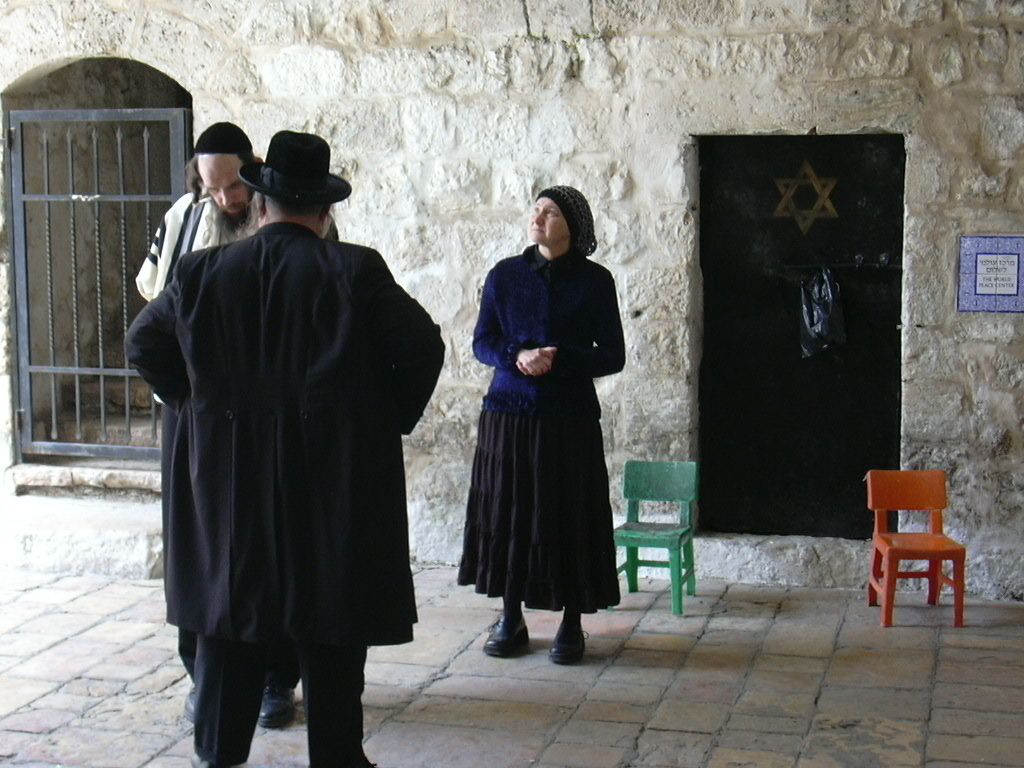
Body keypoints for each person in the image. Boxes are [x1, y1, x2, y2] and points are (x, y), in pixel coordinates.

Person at [127, 130, 445, 768]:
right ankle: (336, 756)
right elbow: (423, 348)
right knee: (330, 626)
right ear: (324, 212)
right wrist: (377, 421)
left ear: (264, 204)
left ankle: (220, 755)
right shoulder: (355, 269)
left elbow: (143, 344)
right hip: (328, 486)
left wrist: (198, 408)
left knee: (230, 623)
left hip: (232, 487)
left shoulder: (201, 271)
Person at [136, 121, 301, 728]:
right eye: (213, 190)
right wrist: (181, 394)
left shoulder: (288, 221)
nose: (226, 201)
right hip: (194, 415)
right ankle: (203, 675)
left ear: (254, 177)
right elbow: (152, 314)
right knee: (195, 545)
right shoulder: (184, 218)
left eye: (234, 187)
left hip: (267, 418)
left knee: (273, 544)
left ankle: (275, 681)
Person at [457, 185, 625, 665]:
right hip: (508, 415)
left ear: (572, 226)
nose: (538, 217)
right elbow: (482, 342)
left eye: (549, 212)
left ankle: (572, 624)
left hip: (568, 419)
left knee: (567, 514)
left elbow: (612, 355)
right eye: (535, 210)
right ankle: (511, 618)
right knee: (510, 514)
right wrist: (517, 355)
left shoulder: (595, 282)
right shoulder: (505, 276)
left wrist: (561, 356)